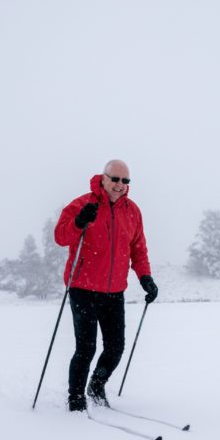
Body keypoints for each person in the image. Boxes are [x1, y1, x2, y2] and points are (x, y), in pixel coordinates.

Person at [54, 159, 158, 412]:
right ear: (103, 178)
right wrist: (79, 222)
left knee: (115, 347)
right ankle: (76, 396)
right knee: (86, 347)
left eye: (125, 181)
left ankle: (97, 384)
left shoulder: (132, 211)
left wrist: (145, 277)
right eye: (115, 179)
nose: (120, 185)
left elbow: (138, 248)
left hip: (114, 292)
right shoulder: (82, 205)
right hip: (83, 288)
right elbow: (60, 237)